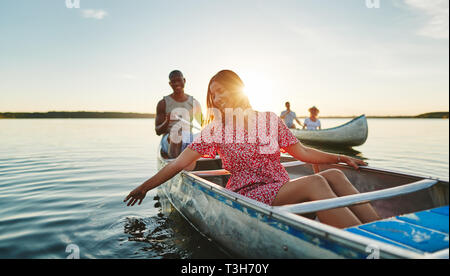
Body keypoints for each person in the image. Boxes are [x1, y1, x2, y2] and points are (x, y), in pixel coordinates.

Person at [125, 70, 379, 229]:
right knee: (315, 184)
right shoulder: (216, 129)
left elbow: (301, 151)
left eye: (220, 91)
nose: (216, 99)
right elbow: (178, 163)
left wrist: (339, 156)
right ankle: (367, 247)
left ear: (237, 89)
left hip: (278, 186)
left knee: (334, 174)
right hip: (248, 193)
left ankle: (382, 231)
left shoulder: (269, 118)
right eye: (212, 95)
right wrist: (145, 187)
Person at [155, 70, 202, 158]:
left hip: (188, 138)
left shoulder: (194, 102)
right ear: (170, 84)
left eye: (179, 80)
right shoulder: (163, 103)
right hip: (169, 139)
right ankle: (174, 165)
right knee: (176, 134)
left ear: (184, 80)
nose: (176, 84)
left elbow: (203, 124)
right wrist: (167, 120)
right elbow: (158, 131)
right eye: (173, 81)